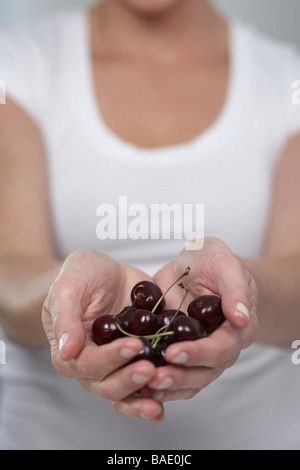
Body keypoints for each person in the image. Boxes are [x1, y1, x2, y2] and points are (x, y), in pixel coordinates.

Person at [0, 0, 299, 451]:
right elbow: (8, 272)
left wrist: (244, 292)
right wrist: (62, 299)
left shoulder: (286, 80)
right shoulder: (17, 67)